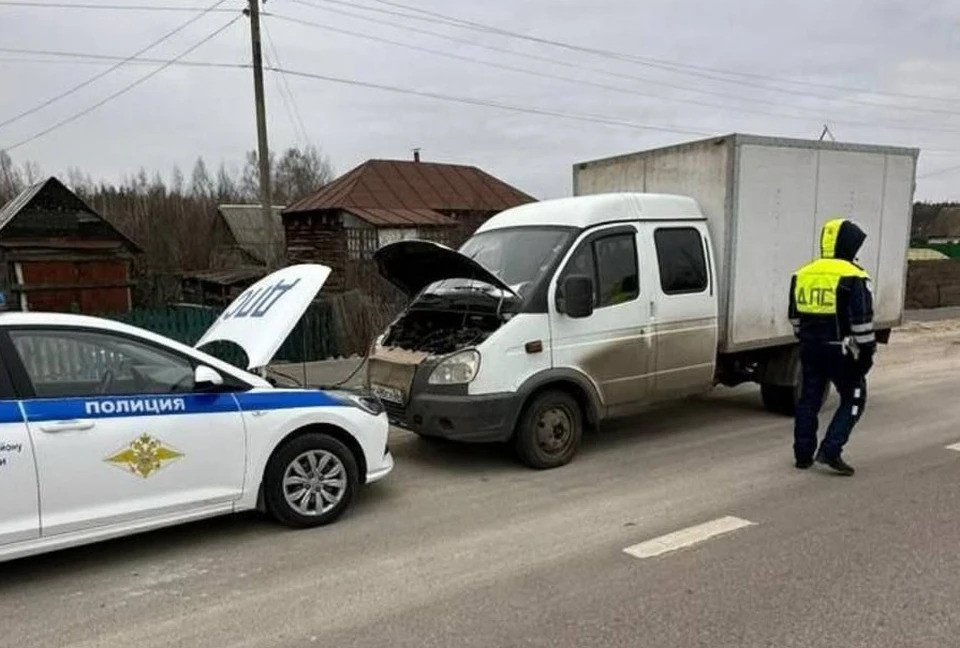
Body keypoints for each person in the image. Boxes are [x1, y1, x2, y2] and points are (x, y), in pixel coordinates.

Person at [788, 218, 876, 476]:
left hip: (809, 347)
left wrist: (806, 338)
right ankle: (831, 449)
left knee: (809, 399)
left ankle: (803, 455)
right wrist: (866, 357)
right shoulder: (854, 276)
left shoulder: (802, 274)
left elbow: (794, 317)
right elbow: (862, 324)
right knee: (854, 397)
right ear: (849, 245)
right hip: (842, 350)